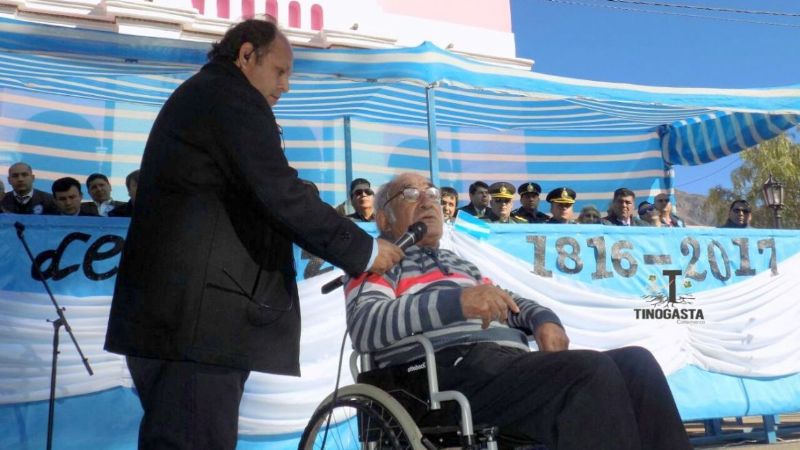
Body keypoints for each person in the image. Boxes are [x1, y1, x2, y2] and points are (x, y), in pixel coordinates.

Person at [103, 20, 403, 450]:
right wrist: (365, 249)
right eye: (280, 71)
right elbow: (280, 191)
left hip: (180, 326)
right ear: (246, 55)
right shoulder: (230, 98)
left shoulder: (208, 96)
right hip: (195, 330)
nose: (286, 86)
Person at [345, 172, 692, 450]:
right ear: (384, 218)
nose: (428, 201)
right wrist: (458, 303)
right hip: (441, 375)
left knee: (637, 363)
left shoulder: (459, 263)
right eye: (410, 194)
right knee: (588, 370)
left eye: (433, 194)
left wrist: (543, 320)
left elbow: (507, 301)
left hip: (501, 365)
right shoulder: (376, 264)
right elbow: (365, 325)